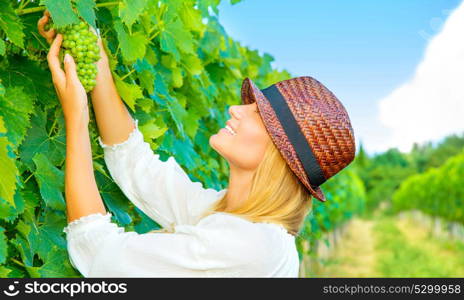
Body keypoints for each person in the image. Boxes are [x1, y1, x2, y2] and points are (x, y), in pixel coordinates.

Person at [37, 11, 355, 277]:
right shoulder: (234, 219)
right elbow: (136, 164)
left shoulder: (252, 247)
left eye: (258, 115)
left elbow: (99, 254)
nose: (236, 110)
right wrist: (92, 53)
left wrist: (77, 119)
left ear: (279, 155)